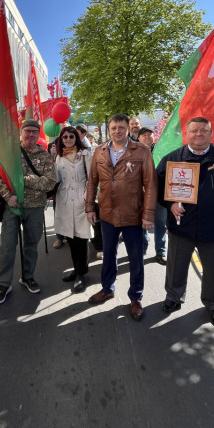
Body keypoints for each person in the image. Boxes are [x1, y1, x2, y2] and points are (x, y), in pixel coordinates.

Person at [156, 117, 214, 327]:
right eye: (194, 130)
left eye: (203, 130)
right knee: (176, 266)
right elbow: (158, 188)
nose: (199, 134)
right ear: (186, 133)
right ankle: (173, 297)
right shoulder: (172, 159)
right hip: (182, 226)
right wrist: (170, 203)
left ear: (210, 133)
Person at [85, 113, 157, 321]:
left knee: (136, 258)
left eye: (121, 127)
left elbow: (151, 184)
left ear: (128, 129)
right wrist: (90, 207)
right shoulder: (99, 151)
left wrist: (148, 215)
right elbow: (92, 181)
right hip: (107, 213)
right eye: (114, 128)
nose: (117, 131)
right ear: (109, 129)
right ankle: (107, 288)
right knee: (109, 255)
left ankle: (136, 297)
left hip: (133, 215)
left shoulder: (141, 151)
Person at [0, 119, 56, 304]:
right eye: (27, 131)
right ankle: (4, 283)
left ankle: (28, 276)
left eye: (34, 132)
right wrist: (8, 196)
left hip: (35, 208)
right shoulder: (10, 153)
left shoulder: (45, 156)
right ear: (21, 132)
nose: (30, 134)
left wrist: (23, 179)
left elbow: (50, 182)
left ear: (38, 134)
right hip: (13, 207)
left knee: (31, 245)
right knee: (7, 247)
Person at [54, 126, 93, 292]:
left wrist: (87, 197)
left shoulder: (85, 155)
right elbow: (56, 179)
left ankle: (81, 273)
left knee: (81, 239)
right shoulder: (59, 157)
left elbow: (92, 178)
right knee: (70, 238)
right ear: (61, 139)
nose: (68, 139)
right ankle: (76, 269)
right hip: (64, 199)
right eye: (65, 137)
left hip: (80, 199)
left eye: (71, 136)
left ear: (76, 138)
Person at [138, 127, 167, 264]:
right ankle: (142, 248)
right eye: (144, 135)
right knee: (142, 222)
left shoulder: (162, 151)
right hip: (141, 195)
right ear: (138, 138)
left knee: (161, 223)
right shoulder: (134, 153)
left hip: (160, 194)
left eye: (150, 134)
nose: (147, 137)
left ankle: (160, 251)